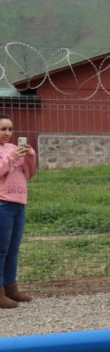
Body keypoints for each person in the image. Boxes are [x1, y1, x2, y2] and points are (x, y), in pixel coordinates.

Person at [0, 114, 38, 309]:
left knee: (13, 249)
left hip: (18, 203)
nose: (7, 133)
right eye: (3, 129)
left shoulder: (14, 149)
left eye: (10, 129)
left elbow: (29, 173)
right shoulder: (9, 153)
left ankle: (11, 288)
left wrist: (30, 156)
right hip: (2, 204)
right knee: (1, 249)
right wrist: (11, 157)